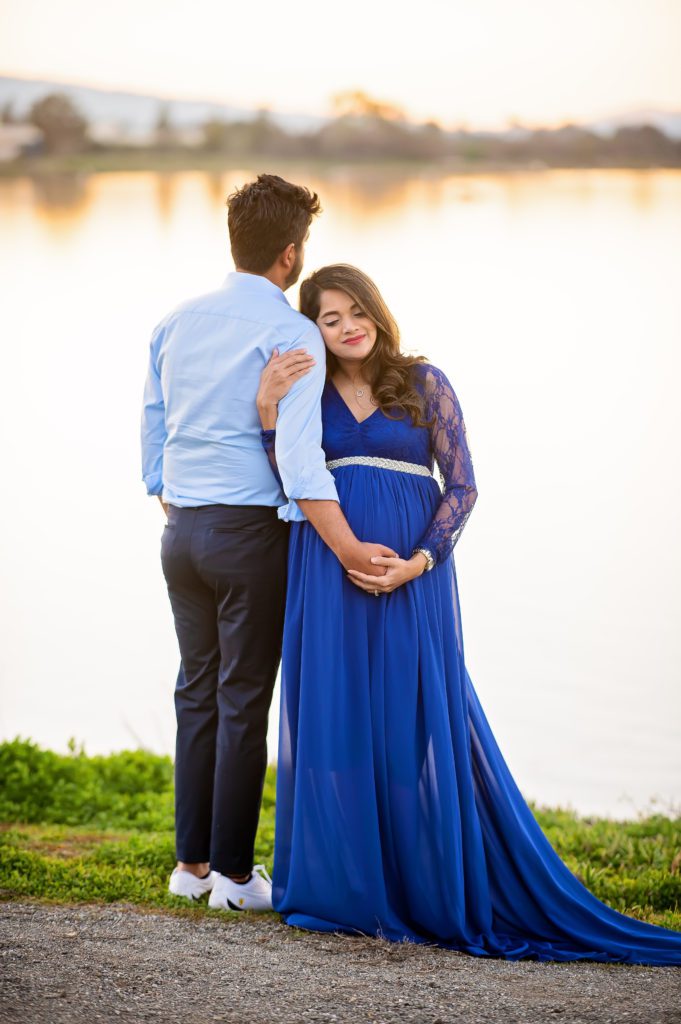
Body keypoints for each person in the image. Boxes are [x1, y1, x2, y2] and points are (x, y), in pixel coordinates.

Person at [256, 262, 681, 965]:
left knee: (411, 712)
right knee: (333, 711)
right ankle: (345, 887)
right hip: (326, 567)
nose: (345, 326)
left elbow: (461, 486)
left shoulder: (424, 382)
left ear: (376, 311)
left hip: (413, 575)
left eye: (353, 310)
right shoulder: (305, 388)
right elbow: (291, 477)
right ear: (313, 329)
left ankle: (422, 883)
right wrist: (267, 410)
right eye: (328, 318)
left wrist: (419, 560)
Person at [140, 177, 395, 913]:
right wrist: (349, 547)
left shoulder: (175, 322)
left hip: (181, 530)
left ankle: (188, 867)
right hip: (249, 533)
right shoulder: (291, 334)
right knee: (243, 696)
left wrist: (169, 492)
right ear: (291, 256)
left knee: (198, 691)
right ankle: (234, 876)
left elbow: (153, 425)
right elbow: (301, 457)